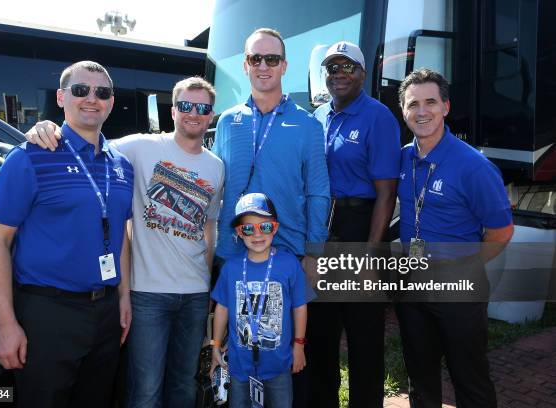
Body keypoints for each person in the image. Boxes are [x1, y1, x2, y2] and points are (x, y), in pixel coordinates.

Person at [24, 76, 224, 408]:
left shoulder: (216, 166)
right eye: (186, 105)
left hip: (194, 295)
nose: (194, 113)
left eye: (202, 108)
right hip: (147, 294)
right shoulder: (140, 146)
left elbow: (208, 227)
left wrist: (205, 284)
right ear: (173, 110)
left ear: (211, 115)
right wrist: (46, 128)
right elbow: (86, 140)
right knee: (145, 390)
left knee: (183, 385)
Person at [0, 60, 134, 408]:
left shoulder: (121, 165)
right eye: (81, 90)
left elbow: (121, 234)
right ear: (62, 97)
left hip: (106, 312)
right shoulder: (31, 157)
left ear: (111, 101)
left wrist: (123, 296)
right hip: (48, 314)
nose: (91, 98)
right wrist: (5, 325)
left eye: (102, 92)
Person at [211, 28, 329, 406]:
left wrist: (313, 253)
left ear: (285, 67)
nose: (263, 66)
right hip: (234, 254)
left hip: (288, 253)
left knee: (287, 357)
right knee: (236, 350)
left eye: (272, 59)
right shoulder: (229, 122)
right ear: (245, 65)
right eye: (256, 59)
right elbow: (212, 183)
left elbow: (318, 191)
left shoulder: (308, 125)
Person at [395, 68, 513, 407]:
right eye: (412, 104)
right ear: (403, 111)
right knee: (419, 377)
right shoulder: (402, 158)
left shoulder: (473, 166)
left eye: (430, 102)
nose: (421, 111)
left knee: (469, 378)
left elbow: (501, 231)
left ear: (446, 106)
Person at [309, 41, 401, 407]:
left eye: (348, 68)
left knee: (363, 340)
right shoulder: (317, 117)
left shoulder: (378, 117)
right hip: (321, 230)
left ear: (363, 74)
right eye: (332, 68)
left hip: (359, 227)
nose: (339, 75)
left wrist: (371, 254)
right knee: (319, 336)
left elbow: (387, 193)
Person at [210, 193, 309, 408]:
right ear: (238, 232)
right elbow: (222, 308)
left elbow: (300, 307)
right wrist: (215, 345)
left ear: (275, 227)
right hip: (239, 366)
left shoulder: (289, 264)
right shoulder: (231, 268)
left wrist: (299, 346)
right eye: (248, 228)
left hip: (278, 365)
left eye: (264, 227)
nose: (256, 234)